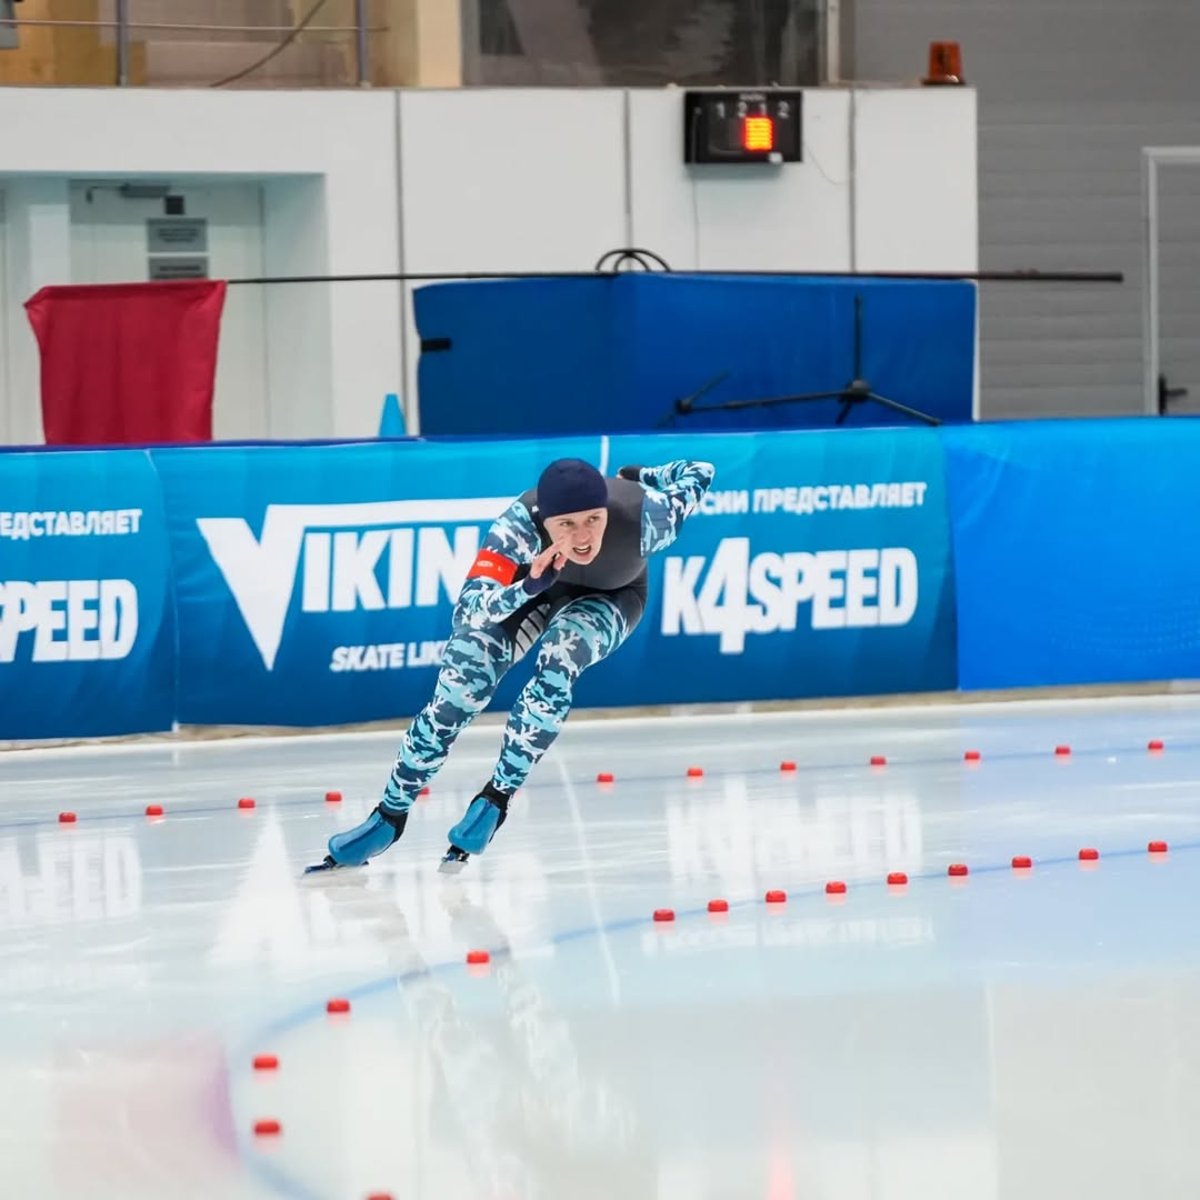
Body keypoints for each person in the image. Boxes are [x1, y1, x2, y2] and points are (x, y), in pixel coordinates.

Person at [307, 456, 715, 874]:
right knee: (459, 688)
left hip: (612, 595)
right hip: (526, 589)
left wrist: (643, 475)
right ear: (545, 520)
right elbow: (469, 611)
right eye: (566, 525)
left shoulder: (647, 516)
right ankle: (389, 815)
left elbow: (700, 471)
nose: (582, 538)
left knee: (560, 659)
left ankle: (495, 799)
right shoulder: (517, 526)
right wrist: (528, 586)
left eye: (593, 520)